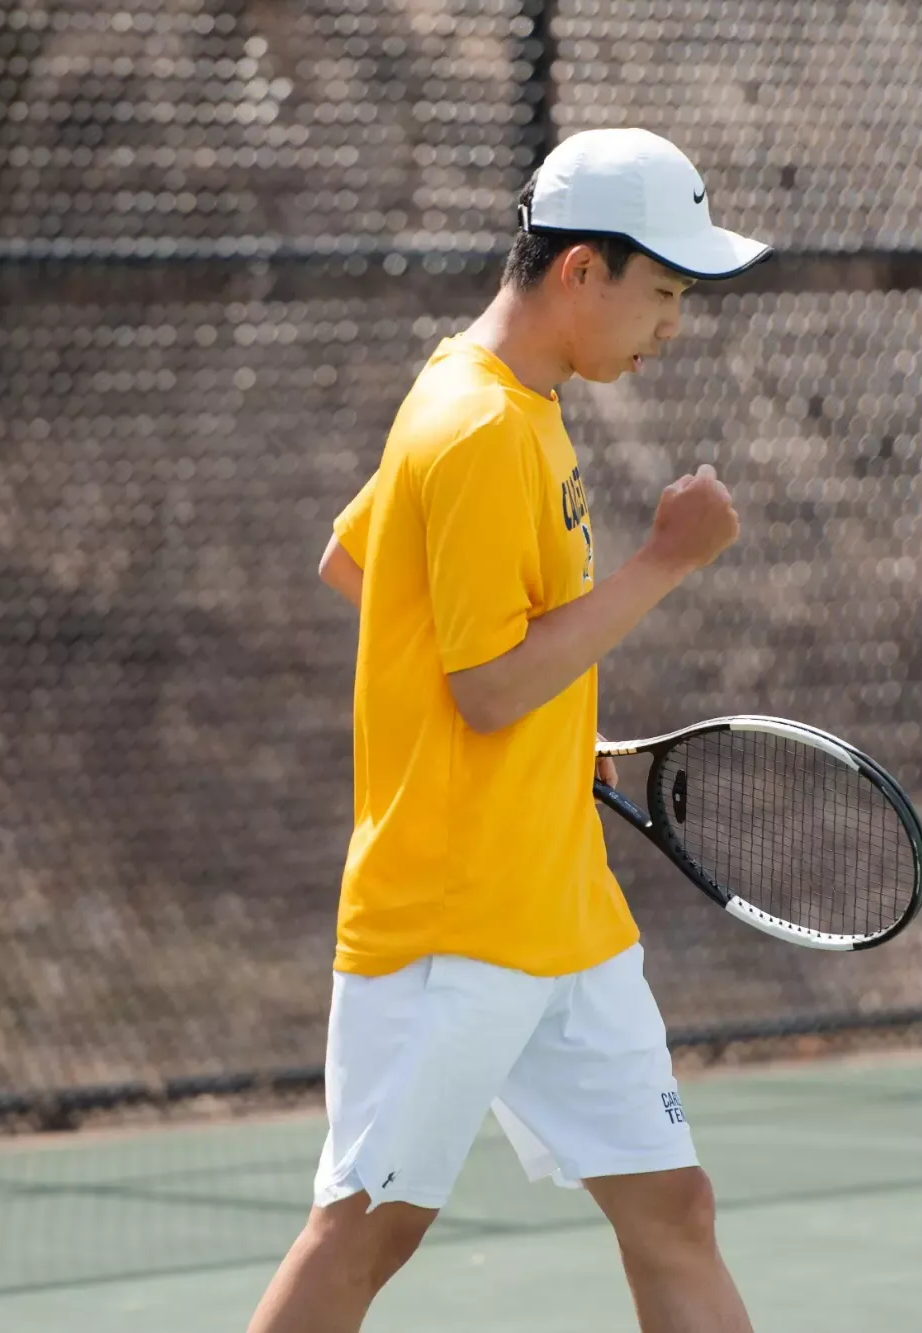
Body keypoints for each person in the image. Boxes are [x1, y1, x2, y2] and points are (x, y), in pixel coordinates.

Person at [246, 128, 773, 1333]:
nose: (671, 324)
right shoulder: (478, 426)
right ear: (581, 270)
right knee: (365, 1232)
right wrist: (662, 562)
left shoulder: (510, 402)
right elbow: (482, 689)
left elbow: (359, 564)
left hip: (560, 914)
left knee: (672, 1208)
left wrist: (546, 733)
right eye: (663, 291)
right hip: (452, 918)